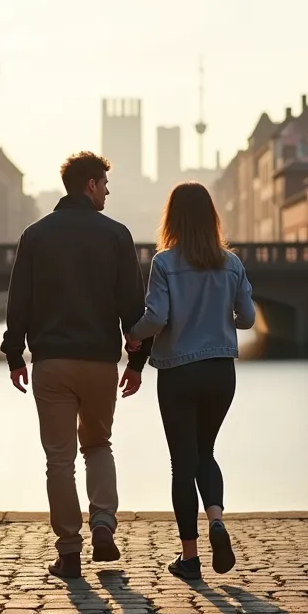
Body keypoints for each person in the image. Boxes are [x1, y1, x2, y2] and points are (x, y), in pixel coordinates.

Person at [0, 150, 153, 579]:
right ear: (90, 185)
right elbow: (132, 308)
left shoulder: (35, 235)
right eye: (104, 184)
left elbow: (20, 302)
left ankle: (69, 550)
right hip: (100, 363)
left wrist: (15, 355)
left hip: (51, 364)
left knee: (59, 459)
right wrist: (137, 360)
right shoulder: (117, 235)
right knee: (99, 444)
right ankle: (103, 522)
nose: (107, 191)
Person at [123, 181, 255, 580]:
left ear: (173, 218)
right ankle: (216, 519)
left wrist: (134, 333)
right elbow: (247, 318)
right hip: (220, 372)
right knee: (206, 452)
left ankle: (190, 559)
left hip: (179, 371)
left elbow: (157, 317)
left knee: (182, 463)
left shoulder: (164, 263)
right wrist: (223, 321)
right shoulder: (231, 264)